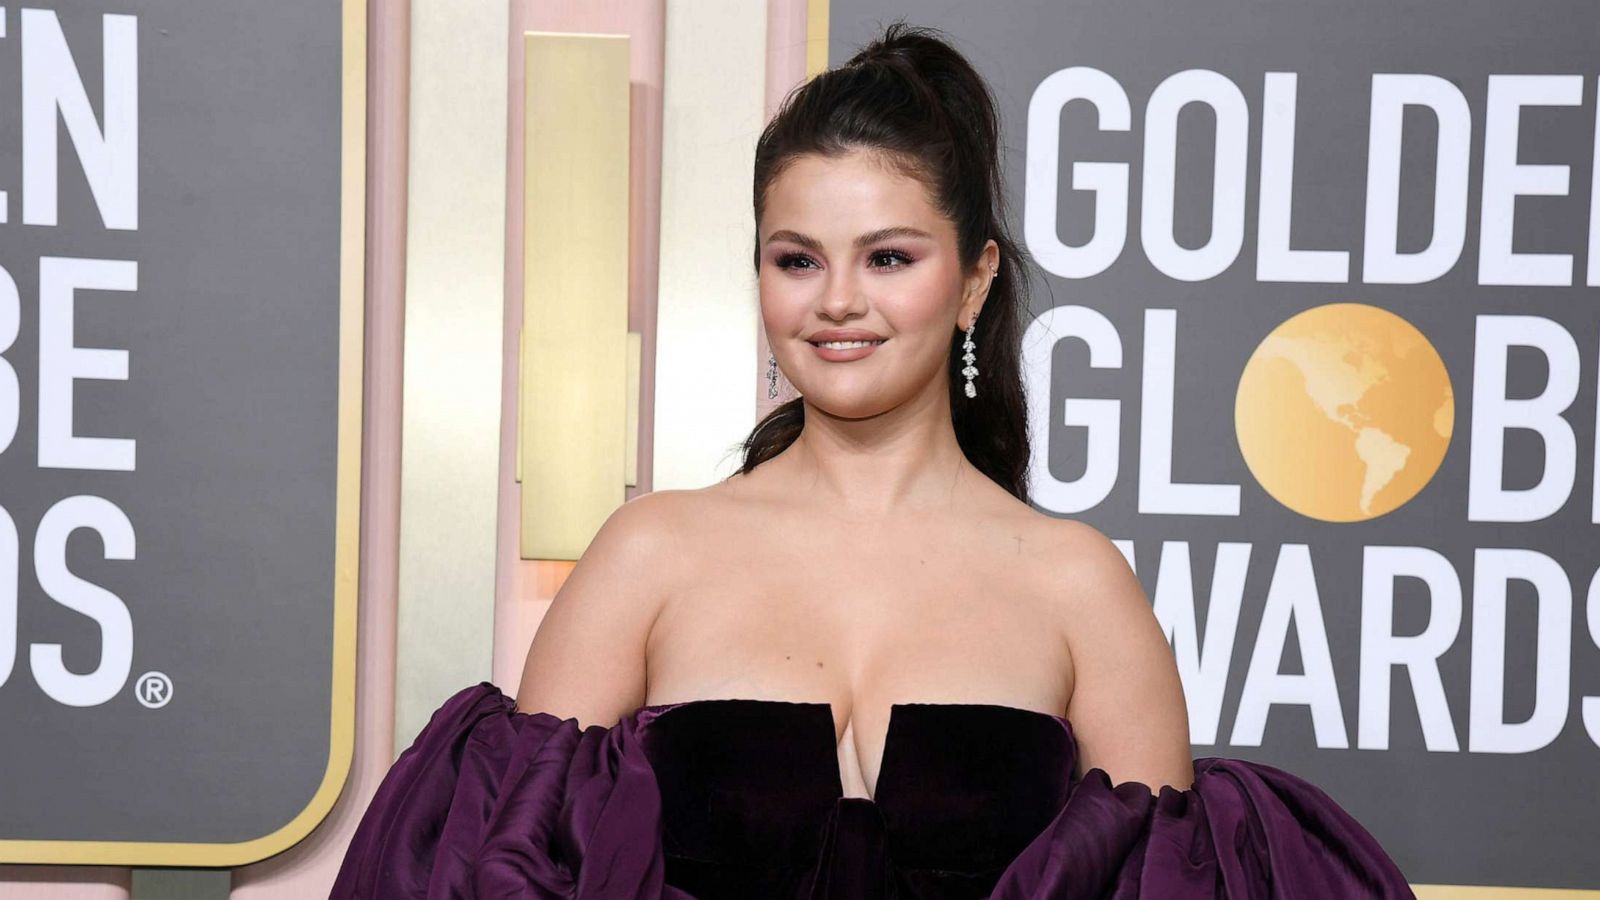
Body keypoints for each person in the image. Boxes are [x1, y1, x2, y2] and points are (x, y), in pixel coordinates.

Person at [331, 20, 1416, 899]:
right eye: (795, 259)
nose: (837, 300)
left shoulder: (1075, 584)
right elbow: (509, 877)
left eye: (889, 257)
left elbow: (1167, 888)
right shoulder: (650, 555)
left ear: (976, 278)